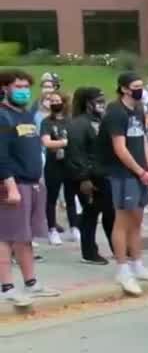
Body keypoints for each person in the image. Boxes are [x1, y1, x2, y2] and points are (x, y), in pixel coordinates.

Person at [100, 72, 148, 295]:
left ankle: (138, 264)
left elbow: (143, 140)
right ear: (124, 89)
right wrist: (138, 171)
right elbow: (120, 148)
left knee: (137, 218)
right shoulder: (115, 113)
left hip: (140, 172)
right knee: (123, 220)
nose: (140, 90)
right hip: (122, 173)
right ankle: (122, 268)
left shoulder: (138, 109)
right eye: (136, 86)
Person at [0, 70, 60, 306]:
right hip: (14, 185)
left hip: (33, 183)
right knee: (5, 236)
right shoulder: (3, 117)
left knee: (24, 237)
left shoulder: (25, 116)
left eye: (26, 86)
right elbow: (1, 156)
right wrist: (10, 186)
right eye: (18, 86)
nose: (24, 90)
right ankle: (6, 286)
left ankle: (31, 283)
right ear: (5, 88)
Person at [66, 87, 114, 265]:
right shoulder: (79, 124)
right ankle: (89, 252)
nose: (102, 104)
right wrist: (83, 178)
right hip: (89, 176)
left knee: (110, 212)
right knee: (91, 214)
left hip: (103, 174)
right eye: (98, 100)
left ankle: (117, 247)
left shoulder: (100, 120)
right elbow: (76, 152)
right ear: (88, 103)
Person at [39, 89, 76, 246]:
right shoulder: (46, 122)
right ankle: (52, 229)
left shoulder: (70, 121)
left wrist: (61, 144)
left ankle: (74, 227)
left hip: (69, 163)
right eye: (51, 101)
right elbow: (47, 142)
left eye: (57, 101)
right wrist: (65, 143)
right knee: (52, 198)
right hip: (53, 164)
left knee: (70, 196)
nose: (54, 103)